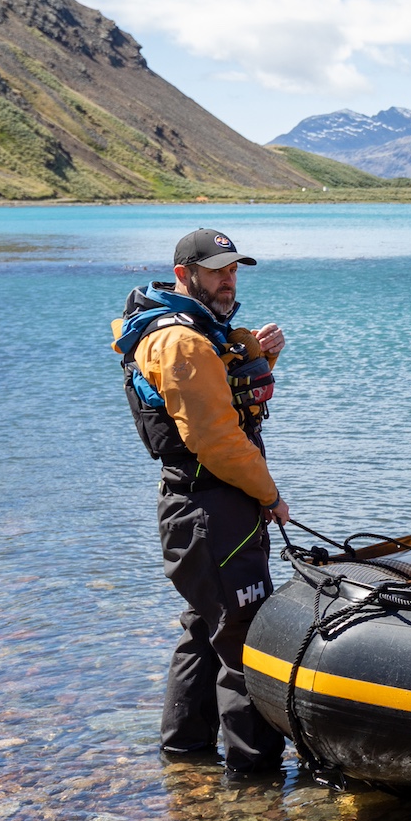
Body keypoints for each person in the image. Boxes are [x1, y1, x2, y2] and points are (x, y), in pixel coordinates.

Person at [112, 227, 290, 774]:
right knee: (244, 637)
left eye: (234, 269)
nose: (229, 280)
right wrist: (271, 495)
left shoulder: (194, 332)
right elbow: (216, 439)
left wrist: (261, 360)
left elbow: (223, 406)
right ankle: (255, 772)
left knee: (203, 626)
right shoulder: (182, 340)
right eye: (217, 271)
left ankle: (185, 755)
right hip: (212, 507)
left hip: (203, 506)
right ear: (185, 274)